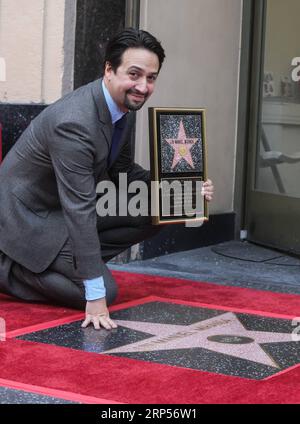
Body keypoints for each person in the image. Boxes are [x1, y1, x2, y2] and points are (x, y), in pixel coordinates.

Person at [0, 28, 214, 330]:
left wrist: (184, 188)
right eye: (134, 74)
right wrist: (96, 294)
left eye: (151, 78)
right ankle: (10, 271)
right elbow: (80, 207)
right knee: (106, 291)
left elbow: (123, 172)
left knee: (157, 210)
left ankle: (77, 259)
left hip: (63, 209)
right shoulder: (73, 123)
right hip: (27, 221)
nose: (143, 86)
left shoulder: (123, 105)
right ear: (109, 70)